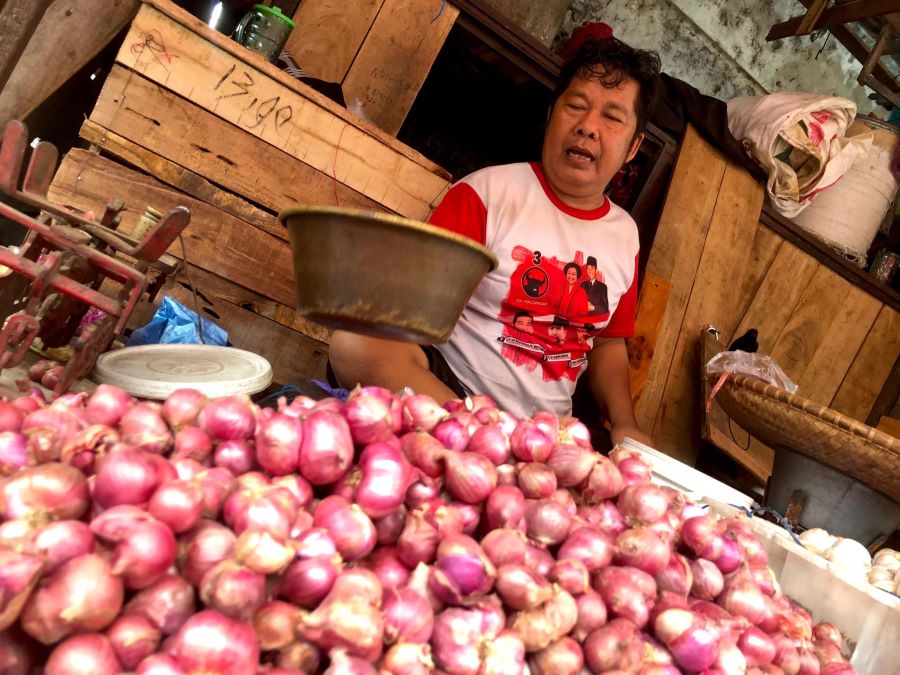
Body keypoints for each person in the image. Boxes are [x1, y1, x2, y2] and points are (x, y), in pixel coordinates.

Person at [329, 36, 658, 447]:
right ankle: (481, 441)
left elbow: (608, 341)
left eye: (612, 117)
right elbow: (409, 311)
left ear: (634, 147)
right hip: (454, 395)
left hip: (549, 434)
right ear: (551, 114)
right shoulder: (487, 194)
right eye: (575, 105)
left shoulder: (625, 236)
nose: (588, 127)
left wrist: (624, 423)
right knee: (356, 345)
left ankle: (500, 452)